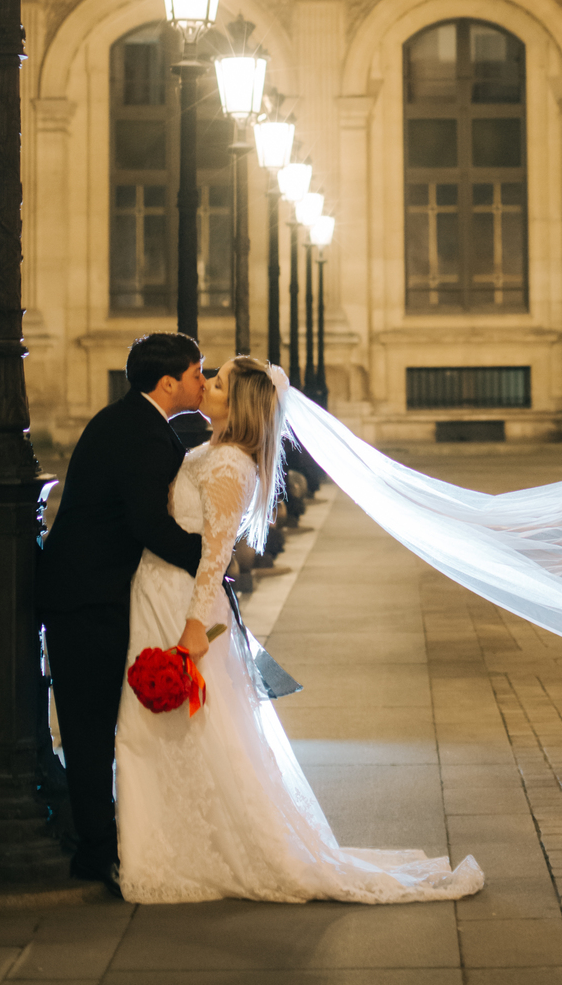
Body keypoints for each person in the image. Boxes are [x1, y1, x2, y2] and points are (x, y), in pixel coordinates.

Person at [115, 354, 483, 905]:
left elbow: (215, 555)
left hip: (183, 608)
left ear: (238, 405)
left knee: (184, 729)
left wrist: (193, 628)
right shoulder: (211, 451)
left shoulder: (229, 466)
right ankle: (169, 838)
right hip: (158, 596)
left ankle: (191, 848)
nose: (208, 387)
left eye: (217, 384)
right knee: (166, 732)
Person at [38, 331, 208, 893]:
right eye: (195, 373)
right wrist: (210, 563)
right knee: (88, 730)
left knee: (93, 728)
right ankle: (93, 852)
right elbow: (149, 526)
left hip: (90, 592)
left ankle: (99, 838)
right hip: (87, 599)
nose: (201, 383)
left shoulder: (127, 421)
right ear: (169, 382)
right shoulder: (143, 436)